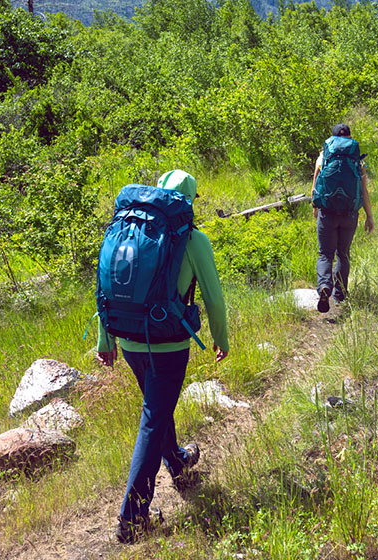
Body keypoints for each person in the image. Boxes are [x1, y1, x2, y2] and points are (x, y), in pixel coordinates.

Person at [95, 169, 230, 544]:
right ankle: (133, 518)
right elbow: (214, 299)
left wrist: (106, 340)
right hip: (168, 344)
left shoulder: (129, 231)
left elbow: (109, 284)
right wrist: (222, 339)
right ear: (189, 200)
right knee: (153, 419)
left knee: (159, 406)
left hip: (129, 340)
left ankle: (178, 461)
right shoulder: (193, 239)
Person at [311, 123, 374, 313]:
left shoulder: (324, 156)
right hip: (349, 215)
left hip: (327, 213)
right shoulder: (357, 160)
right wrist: (369, 216)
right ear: (349, 137)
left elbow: (315, 186)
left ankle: (324, 287)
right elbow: (363, 191)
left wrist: (315, 207)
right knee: (343, 254)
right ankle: (340, 296)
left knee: (325, 254)